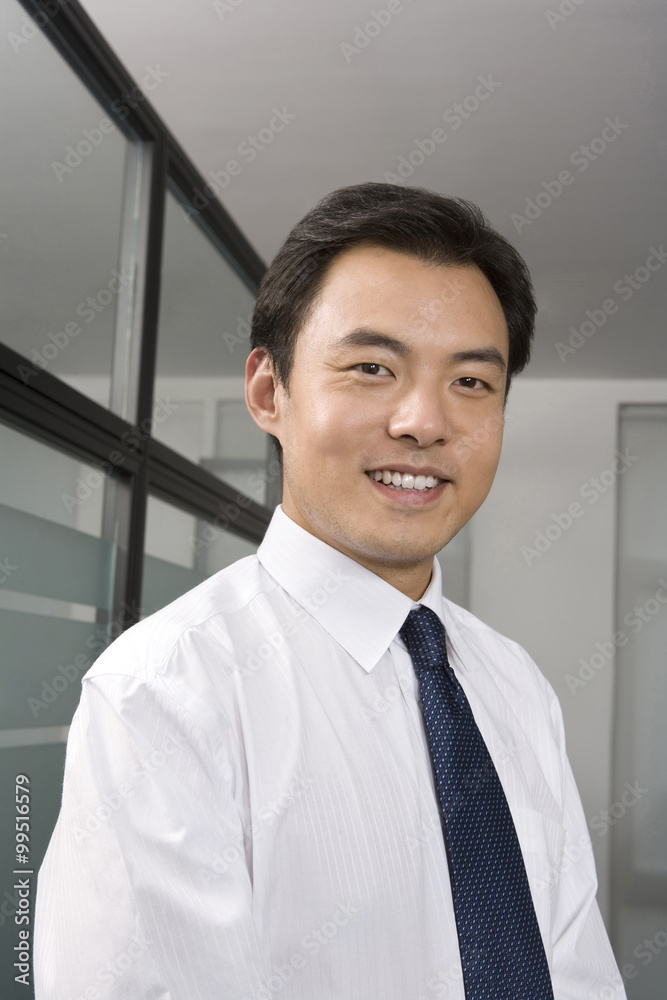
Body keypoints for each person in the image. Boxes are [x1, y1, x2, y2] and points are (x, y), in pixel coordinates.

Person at [35, 183, 626, 999]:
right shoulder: (167, 695)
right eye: (372, 368)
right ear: (268, 392)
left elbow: (577, 971)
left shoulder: (514, 685)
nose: (424, 422)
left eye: (470, 382)